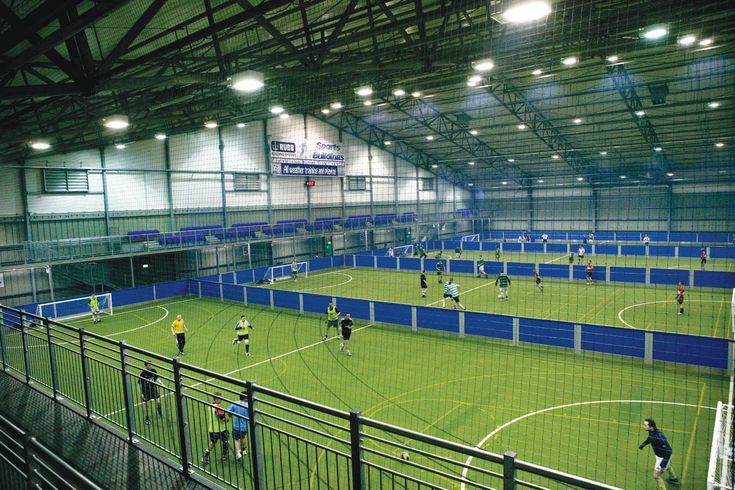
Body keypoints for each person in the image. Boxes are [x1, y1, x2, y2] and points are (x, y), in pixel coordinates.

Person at [639, 418, 679, 488]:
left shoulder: (659, 436)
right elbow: (650, 438)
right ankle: (674, 478)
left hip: (664, 457)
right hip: (659, 456)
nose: (643, 426)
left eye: (645, 425)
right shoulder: (652, 432)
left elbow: (669, 450)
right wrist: (644, 444)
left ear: (651, 427)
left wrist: (664, 462)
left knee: (656, 475)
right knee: (668, 467)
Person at [202, 393, 230, 464]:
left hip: (212, 429)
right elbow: (222, 418)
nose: (222, 400)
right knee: (226, 441)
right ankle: (224, 455)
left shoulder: (210, 406)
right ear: (217, 399)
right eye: (221, 398)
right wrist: (227, 419)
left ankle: (205, 457)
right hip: (221, 429)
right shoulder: (219, 407)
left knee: (213, 442)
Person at [139, 361, 163, 425]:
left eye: (151, 364)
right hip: (145, 391)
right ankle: (147, 419)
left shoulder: (154, 371)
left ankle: (159, 409)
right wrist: (141, 393)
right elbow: (140, 384)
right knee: (147, 405)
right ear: (146, 366)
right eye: (149, 365)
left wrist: (161, 383)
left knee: (158, 402)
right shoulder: (143, 374)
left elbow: (157, 378)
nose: (151, 366)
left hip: (153, 389)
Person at [228, 391, 249, 461]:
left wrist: (230, 415)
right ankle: (243, 450)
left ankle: (238, 453)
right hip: (245, 426)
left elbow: (229, 412)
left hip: (236, 426)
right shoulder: (248, 405)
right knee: (243, 437)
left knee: (236, 439)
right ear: (245, 398)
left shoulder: (235, 404)